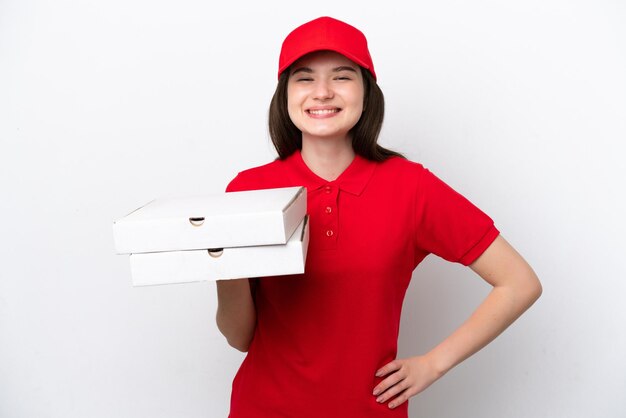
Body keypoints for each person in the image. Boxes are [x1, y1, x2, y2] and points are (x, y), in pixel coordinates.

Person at [215, 16, 542, 418]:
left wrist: (434, 363)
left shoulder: (411, 187)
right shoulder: (248, 190)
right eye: (304, 78)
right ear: (284, 95)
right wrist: (224, 264)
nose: (322, 93)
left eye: (341, 76)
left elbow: (519, 282)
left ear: (367, 92)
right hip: (263, 408)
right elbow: (240, 337)